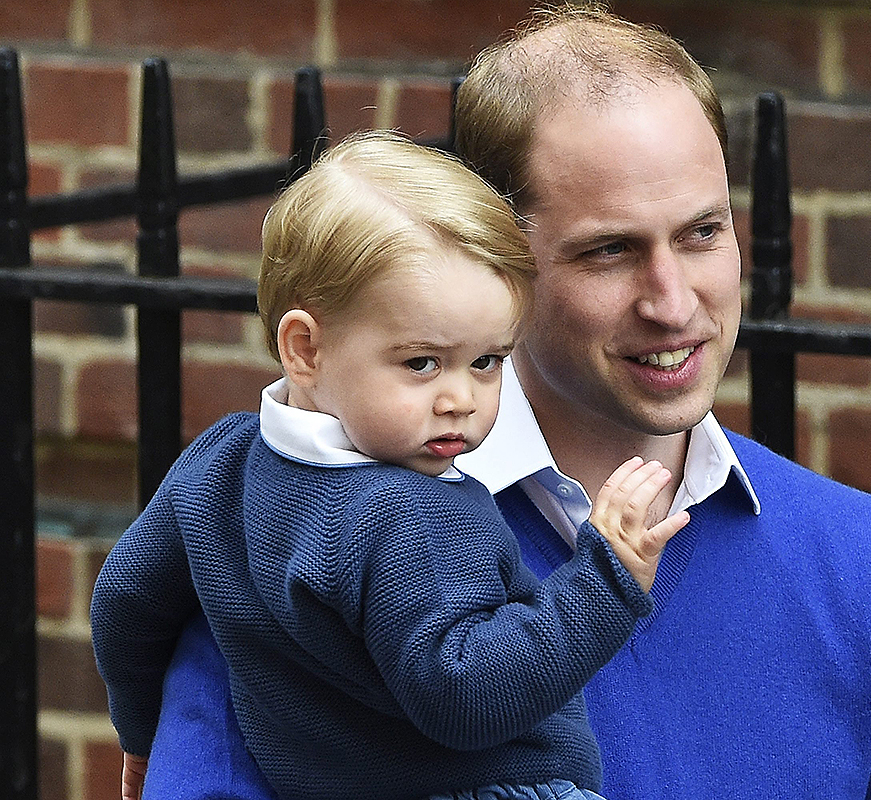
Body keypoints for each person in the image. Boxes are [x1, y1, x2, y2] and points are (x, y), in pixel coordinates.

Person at [134, 4, 871, 797]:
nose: (673, 300)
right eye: (610, 250)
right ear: (500, 256)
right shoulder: (286, 535)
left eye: (702, 232)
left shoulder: (869, 563)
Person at [90, 131, 691, 800]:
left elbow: (125, 602)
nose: (460, 399)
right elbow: (465, 694)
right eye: (422, 363)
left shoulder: (218, 464)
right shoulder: (413, 512)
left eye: (488, 361)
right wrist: (605, 581)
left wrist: (140, 736)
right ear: (306, 349)